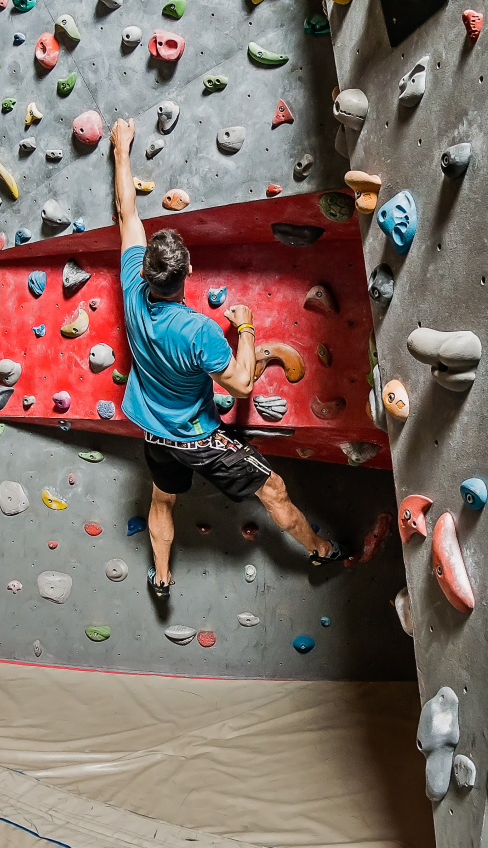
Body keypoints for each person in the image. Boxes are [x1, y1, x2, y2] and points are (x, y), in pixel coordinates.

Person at [109, 117, 342, 599]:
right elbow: (240, 385)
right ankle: (320, 549)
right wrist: (247, 326)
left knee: (162, 498)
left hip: (153, 431)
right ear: (188, 271)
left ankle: (162, 577)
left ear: (148, 270)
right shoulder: (197, 331)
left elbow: (125, 210)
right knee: (273, 489)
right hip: (197, 439)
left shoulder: (132, 286)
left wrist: (120, 149)